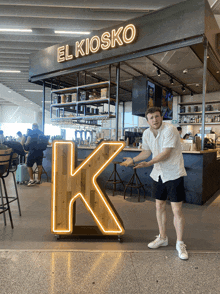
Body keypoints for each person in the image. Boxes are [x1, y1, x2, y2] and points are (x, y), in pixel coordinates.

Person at [120, 107, 188, 260]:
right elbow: (146, 151)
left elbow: (166, 153)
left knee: (176, 210)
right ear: (147, 120)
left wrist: (148, 163)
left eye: (157, 117)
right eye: (151, 118)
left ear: (161, 117)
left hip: (173, 173)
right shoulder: (146, 133)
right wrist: (133, 160)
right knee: (159, 206)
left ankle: (180, 243)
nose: (155, 120)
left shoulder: (170, 129)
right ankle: (163, 238)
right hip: (158, 174)